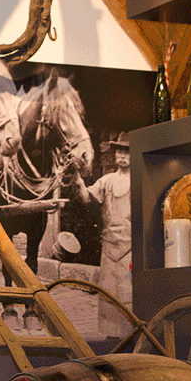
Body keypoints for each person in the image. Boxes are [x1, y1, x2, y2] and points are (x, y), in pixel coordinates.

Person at [72, 135, 132, 336]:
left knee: (128, 293)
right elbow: (85, 198)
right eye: (119, 152)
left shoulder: (139, 181)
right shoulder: (106, 181)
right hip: (109, 246)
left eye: (126, 152)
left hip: (131, 248)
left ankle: (130, 336)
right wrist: (77, 179)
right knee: (108, 292)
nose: (122, 156)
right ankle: (110, 337)